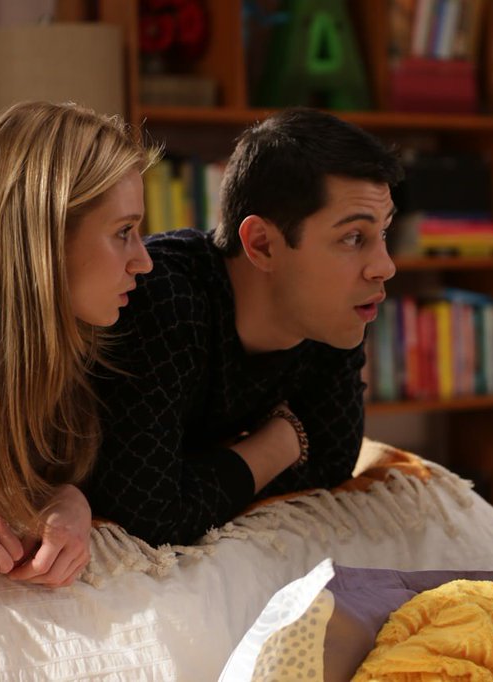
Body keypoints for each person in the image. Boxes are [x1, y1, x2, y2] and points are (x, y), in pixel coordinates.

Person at [86, 107, 403, 547]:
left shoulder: (334, 313)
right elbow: (150, 512)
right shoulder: (162, 297)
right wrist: (282, 440)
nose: (384, 267)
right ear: (262, 244)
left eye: (383, 233)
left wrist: (208, 474)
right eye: (353, 238)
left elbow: (332, 462)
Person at [0, 101, 156, 586]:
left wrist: (72, 499)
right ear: (46, 234)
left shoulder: (104, 328)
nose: (144, 262)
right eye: (123, 232)